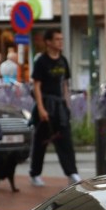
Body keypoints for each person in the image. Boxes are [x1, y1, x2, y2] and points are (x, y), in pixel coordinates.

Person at [28, 27, 81, 187]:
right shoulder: (41, 62)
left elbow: (65, 84)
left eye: (61, 39)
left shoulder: (63, 60)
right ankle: (35, 173)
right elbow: (36, 86)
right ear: (48, 42)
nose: (60, 42)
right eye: (57, 39)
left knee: (65, 139)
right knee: (41, 142)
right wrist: (41, 108)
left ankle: (72, 172)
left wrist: (67, 104)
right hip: (46, 104)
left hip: (60, 106)